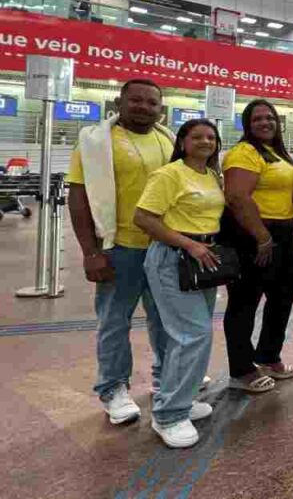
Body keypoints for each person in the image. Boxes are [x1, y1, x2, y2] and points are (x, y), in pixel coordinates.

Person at [67, 79, 171, 426]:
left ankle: (166, 379)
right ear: (119, 102)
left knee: (166, 319)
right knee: (114, 321)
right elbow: (79, 197)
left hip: (163, 247)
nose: (143, 107)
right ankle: (113, 389)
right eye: (136, 100)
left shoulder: (168, 140)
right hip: (119, 248)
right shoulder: (96, 143)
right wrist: (90, 251)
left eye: (151, 102)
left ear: (161, 108)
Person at [134, 119, 225, 448]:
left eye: (211, 137)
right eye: (197, 136)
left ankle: (181, 401)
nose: (206, 141)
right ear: (182, 141)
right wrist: (188, 244)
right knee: (192, 334)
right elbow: (143, 218)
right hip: (174, 259)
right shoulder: (169, 174)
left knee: (191, 335)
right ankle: (168, 415)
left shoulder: (210, 175)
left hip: (202, 261)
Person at [222, 100, 293, 394]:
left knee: (286, 291)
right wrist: (261, 237)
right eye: (257, 119)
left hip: (283, 233)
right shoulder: (244, 153)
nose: (265, 122)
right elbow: (237, 198)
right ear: (247, 123)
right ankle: (240, 369)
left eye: (270, 118)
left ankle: (268, 355)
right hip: (253, 236)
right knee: (245, 301)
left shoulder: (275, 152)